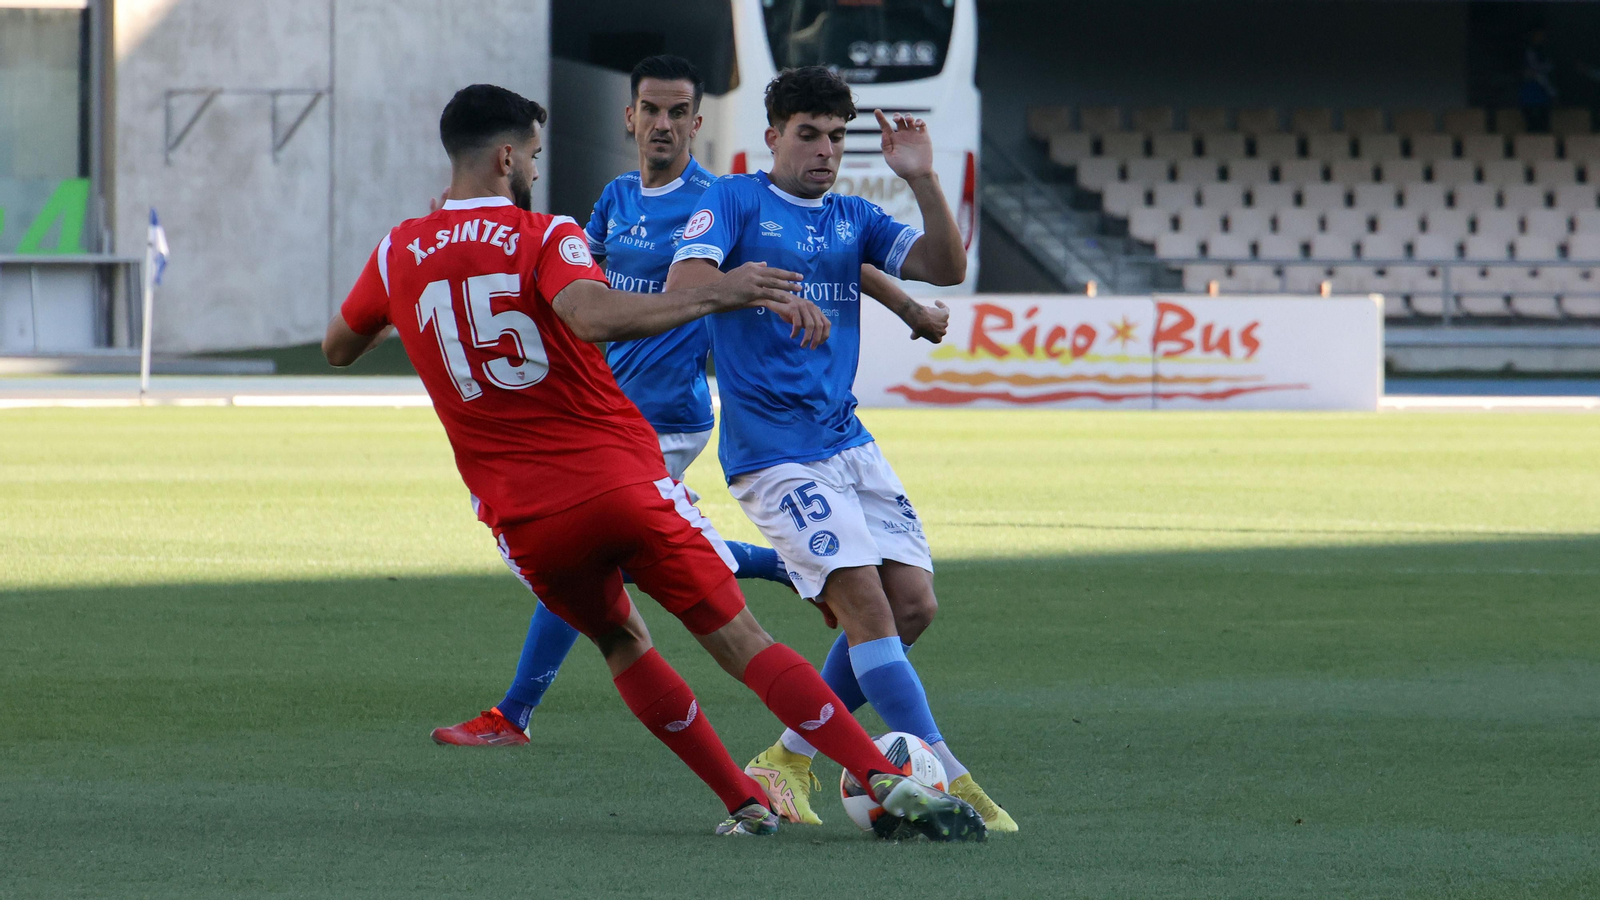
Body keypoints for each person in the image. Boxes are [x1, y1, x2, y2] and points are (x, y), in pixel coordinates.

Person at [320, 83, 983, 841]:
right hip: (620, 479)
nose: (535, 167)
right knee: (744, 644)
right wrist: (719, 296)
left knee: (621, 640)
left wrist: (410, 311)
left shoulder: (396, 250)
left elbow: (339, 345)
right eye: (533, 155)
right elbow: (590, 314)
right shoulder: (546, 233)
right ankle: (882, 777)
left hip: (523, 515)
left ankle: (742, 802)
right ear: (507, 157)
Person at [431, 55, 950, 748]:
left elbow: (827, 253)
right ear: (630, 117)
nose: (663, 125)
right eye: (651, 110)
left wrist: (906, 302)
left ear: (697, 123)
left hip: (671, 413)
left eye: (679, 113)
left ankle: (515, 712)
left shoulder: (720, 196)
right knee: (608, 557)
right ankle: (786, 572)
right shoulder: (616, 198)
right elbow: (573, 289)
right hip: (604, 408)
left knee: (585, 561)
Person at [665, 66, 1017, 833]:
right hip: (771, 451)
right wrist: (764, 290)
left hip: (845, 440)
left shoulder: (852, 216)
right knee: (861, 601)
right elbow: (686, 280)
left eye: (835, 137)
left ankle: (788, 758)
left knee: (913, 606)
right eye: (808, 134)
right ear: (773, 137)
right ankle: (948, 780)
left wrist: (923, 181)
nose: (824, 151)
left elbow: (947, 269)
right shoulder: (734, 201)